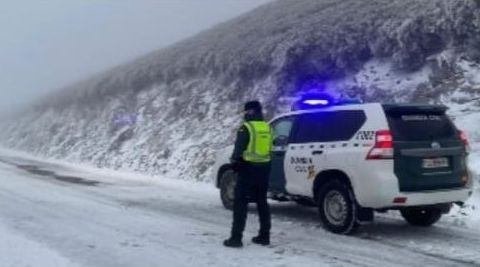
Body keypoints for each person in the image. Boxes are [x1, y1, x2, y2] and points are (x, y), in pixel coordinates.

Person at [223, 100, 272, 248]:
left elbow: (238, 150)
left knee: (240, 203)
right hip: (264, 169)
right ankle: (264, 236)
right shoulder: (267, 127)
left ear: (250, 112)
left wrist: (234, 162)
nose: (245, 114)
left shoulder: (246, 128)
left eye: (246, 111)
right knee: (262, 202)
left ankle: (236, 238)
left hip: (247, 168)